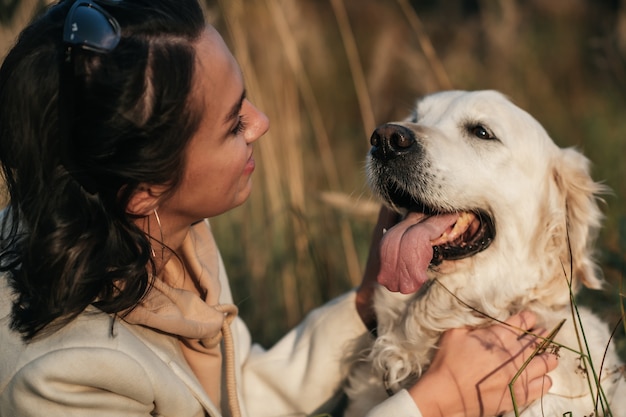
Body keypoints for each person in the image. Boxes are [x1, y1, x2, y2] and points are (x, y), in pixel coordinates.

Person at [0, 0, 557, 416]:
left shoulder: (162, 228)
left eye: (244, 97)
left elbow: (236, 398)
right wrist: (433, 403)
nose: (261, 123)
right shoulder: (59, 380)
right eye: (231, 123)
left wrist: (365, 302)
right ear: (143, 191)